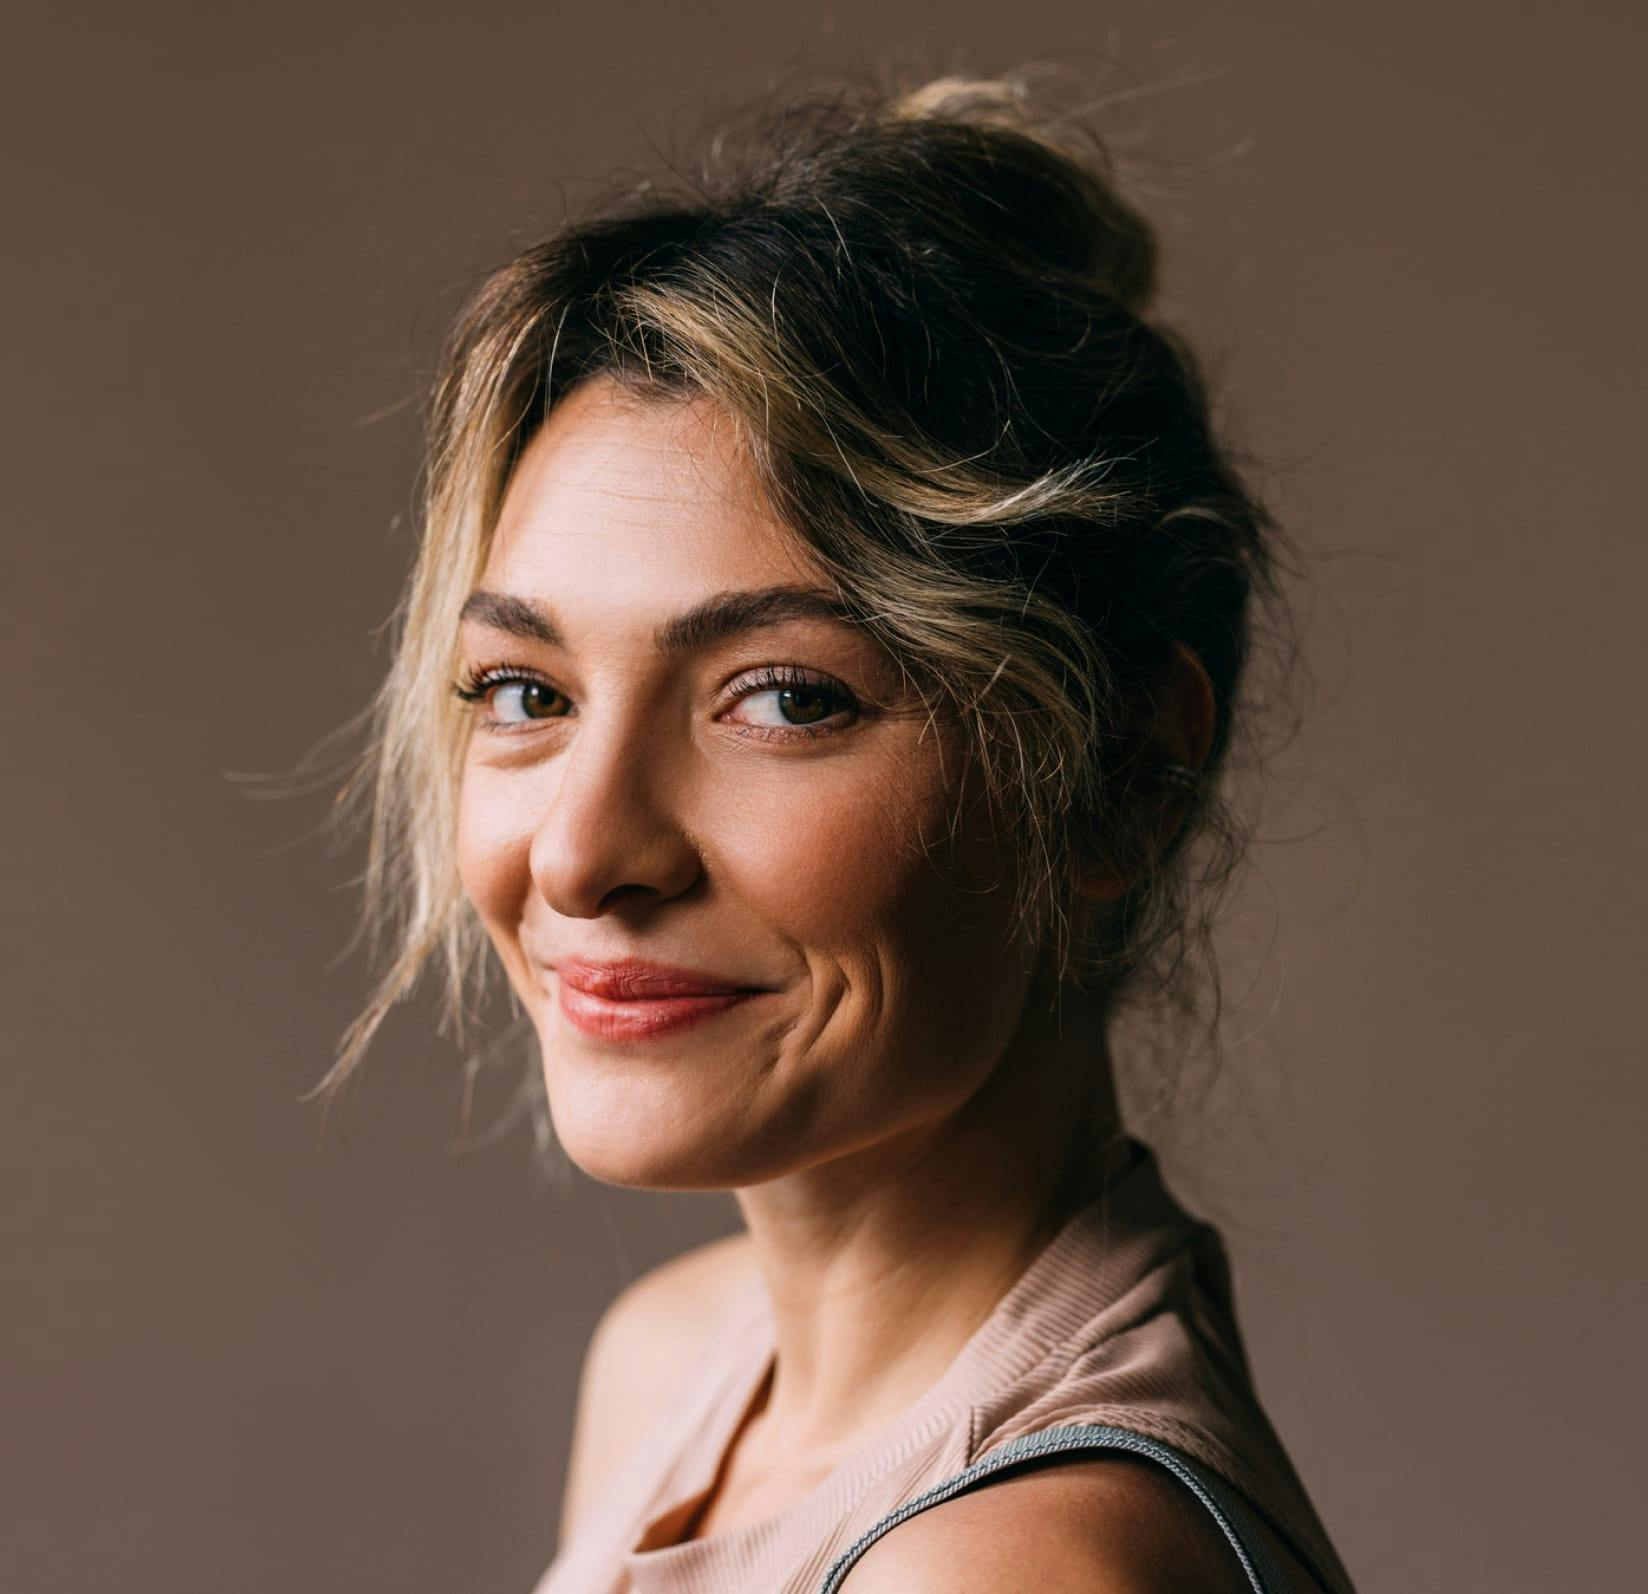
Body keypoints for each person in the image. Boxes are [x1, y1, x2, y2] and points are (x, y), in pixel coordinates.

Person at [320, 66, 1357, 1594]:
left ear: (1124, 778)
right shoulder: (679, 1367)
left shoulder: (1008, 1565)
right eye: (525, 687)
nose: (581, 851)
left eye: (785, 698)